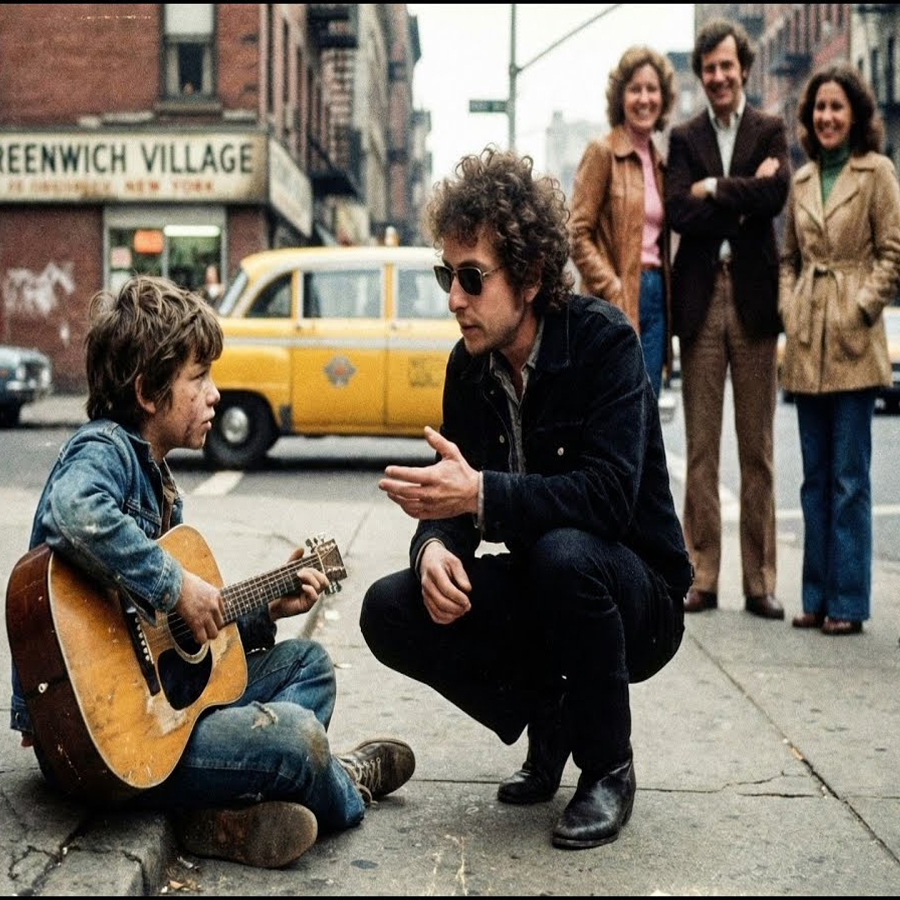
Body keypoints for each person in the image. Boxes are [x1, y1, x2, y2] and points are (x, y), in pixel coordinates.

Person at [8, 276, 415, 869]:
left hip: (158, 722)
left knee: (311, 667)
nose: (216, 395)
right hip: (104, 743)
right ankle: (344, 783)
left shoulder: (164, 495)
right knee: (299, 741)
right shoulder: (105, 450)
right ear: (149, 390)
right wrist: (175, 585)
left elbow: (183, 651)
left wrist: (265, 610)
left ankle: (215, 816)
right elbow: (72, 510)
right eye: (199, 378)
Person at [359, 147, 693, 850]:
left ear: (532, 274)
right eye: (446, 275)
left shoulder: (605, 343)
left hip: (636, 597)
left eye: (472, 278)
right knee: (389, 609)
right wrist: (432, 551)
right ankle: (554, 713)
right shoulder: (470, 365)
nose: (454, 298)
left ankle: (607, 767)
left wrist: (479, 493)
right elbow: (452, 493)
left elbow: (606, 499)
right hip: (550, 586)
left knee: (565, 554)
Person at [664, 18, 790, 621]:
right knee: (702, 450)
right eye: (708, 68)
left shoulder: (770, 129)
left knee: (758, 449)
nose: (718, 76)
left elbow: (776, 198)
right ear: (702, 74)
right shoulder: (684, 136)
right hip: (699, 300)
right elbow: (680, 214)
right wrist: (737, 196)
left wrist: (715, 189)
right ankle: (702, 575)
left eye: (726, 66)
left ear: (743, 68)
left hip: (755, 301)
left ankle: (760, 580)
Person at [779, 64, 900, 636]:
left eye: (836, 107)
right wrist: (790, 306)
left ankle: (847, 601)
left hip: (853, 336)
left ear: (854, 115)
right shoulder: (800, 181)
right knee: (813, 477)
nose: (826, 117)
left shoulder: (876, 173)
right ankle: (814, 594)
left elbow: (892, 252)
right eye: (819, 108)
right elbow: (788, 261)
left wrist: (859, 308)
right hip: (806, 338)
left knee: (851, 478)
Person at [570, 45, 676, 399]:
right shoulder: (602, 153)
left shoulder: (661, 163)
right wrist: (612, 285)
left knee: (648, 407)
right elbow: (576, 232)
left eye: (652, 89)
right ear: (620, 97)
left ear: (663, 98)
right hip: (614, 296)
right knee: (620, 409)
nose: (644, 99)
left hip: (656, 296)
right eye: (635, 89)